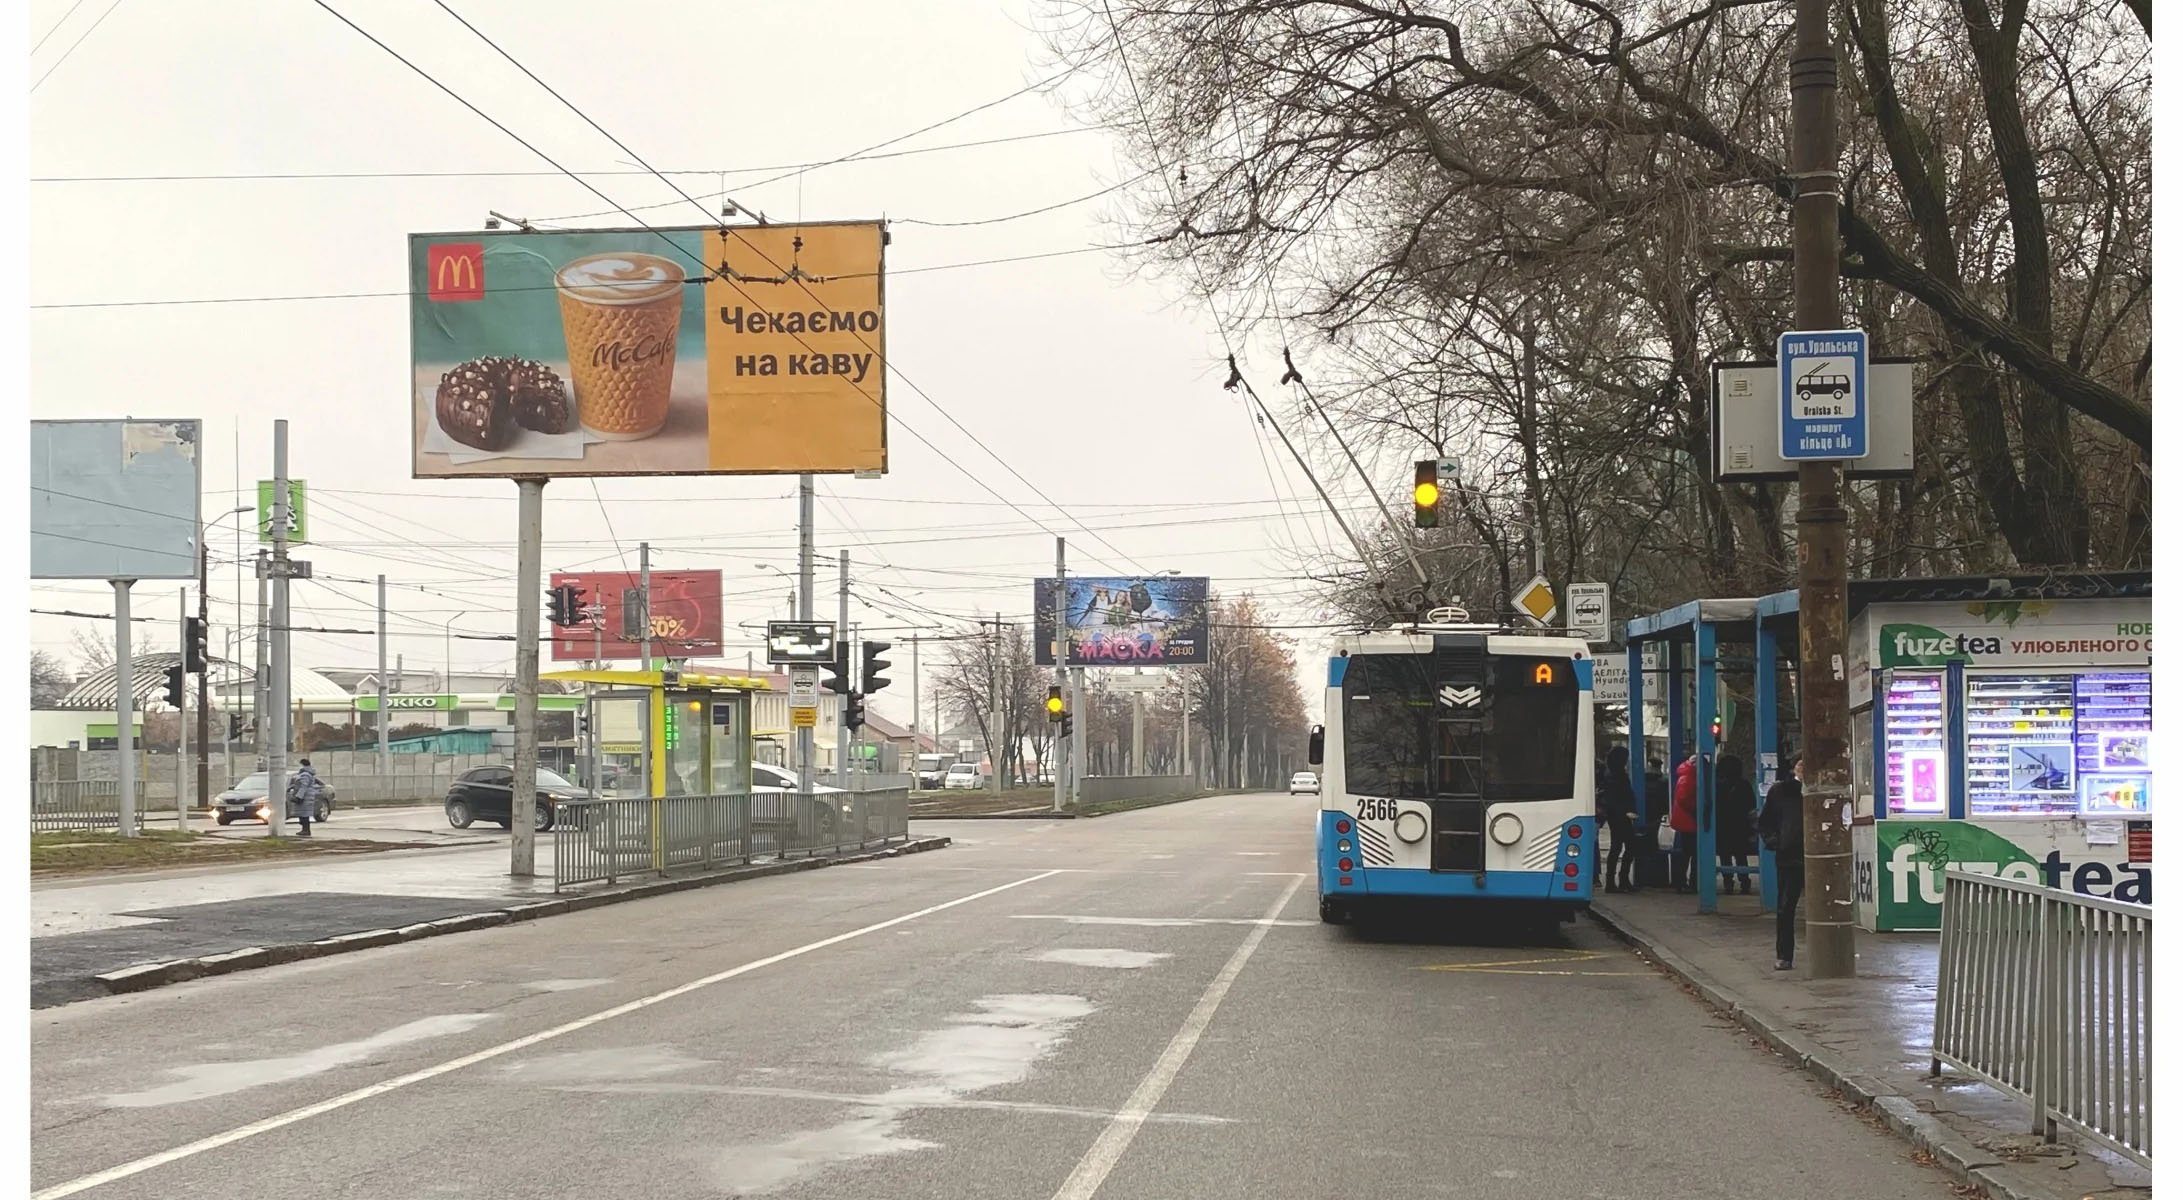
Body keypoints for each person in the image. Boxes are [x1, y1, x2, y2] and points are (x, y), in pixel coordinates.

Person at [1758, 756, 1806, 970]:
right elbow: (1765, 822)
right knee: (1786, 907)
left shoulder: (1823, 789)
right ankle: (1784, 955)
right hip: (1790, 854)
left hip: (1817, 855)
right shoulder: (1781, 791)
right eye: (1801, 764)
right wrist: (1776, 842)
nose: (1804, 769)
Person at [1597, 746, 1640, 892]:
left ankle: (1613, 880)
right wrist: (1628, 811)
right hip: (1621, 815)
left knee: (1617, 847)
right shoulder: (1617, 776)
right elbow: (1621, 796)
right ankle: (1621, 879)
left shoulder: (1611, 774)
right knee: (1627, 846)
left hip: (1615, 815)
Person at [1715, 753, 1759, 895]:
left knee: (1725, 855)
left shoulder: (1717, 785)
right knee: (1741, 854)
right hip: (1741, 826)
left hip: (1722, 825)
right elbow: (1751, 806)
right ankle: (1744, 881)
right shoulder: (1744, 785)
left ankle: (1728, 882)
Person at [1669, 755, 1699, 892]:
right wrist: (1697, 808)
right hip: (1689, 821)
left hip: (1685, 821)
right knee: (1691, 853)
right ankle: (1685, 882)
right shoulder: (1689, 778)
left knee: (1687, 853)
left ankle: (1683, 881)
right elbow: (1684, 799)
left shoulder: (1686, 775)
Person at [286, 758, 319, 838]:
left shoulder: (305, 774)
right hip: (306, 797)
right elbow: (300, 784)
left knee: (304, 815)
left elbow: (303, 787)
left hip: (304, 798)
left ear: (302, 764)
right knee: (303, 814)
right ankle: (305, 830)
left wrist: (299, 797)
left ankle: (306, 830)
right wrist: (291, 787)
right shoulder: (306, 774)